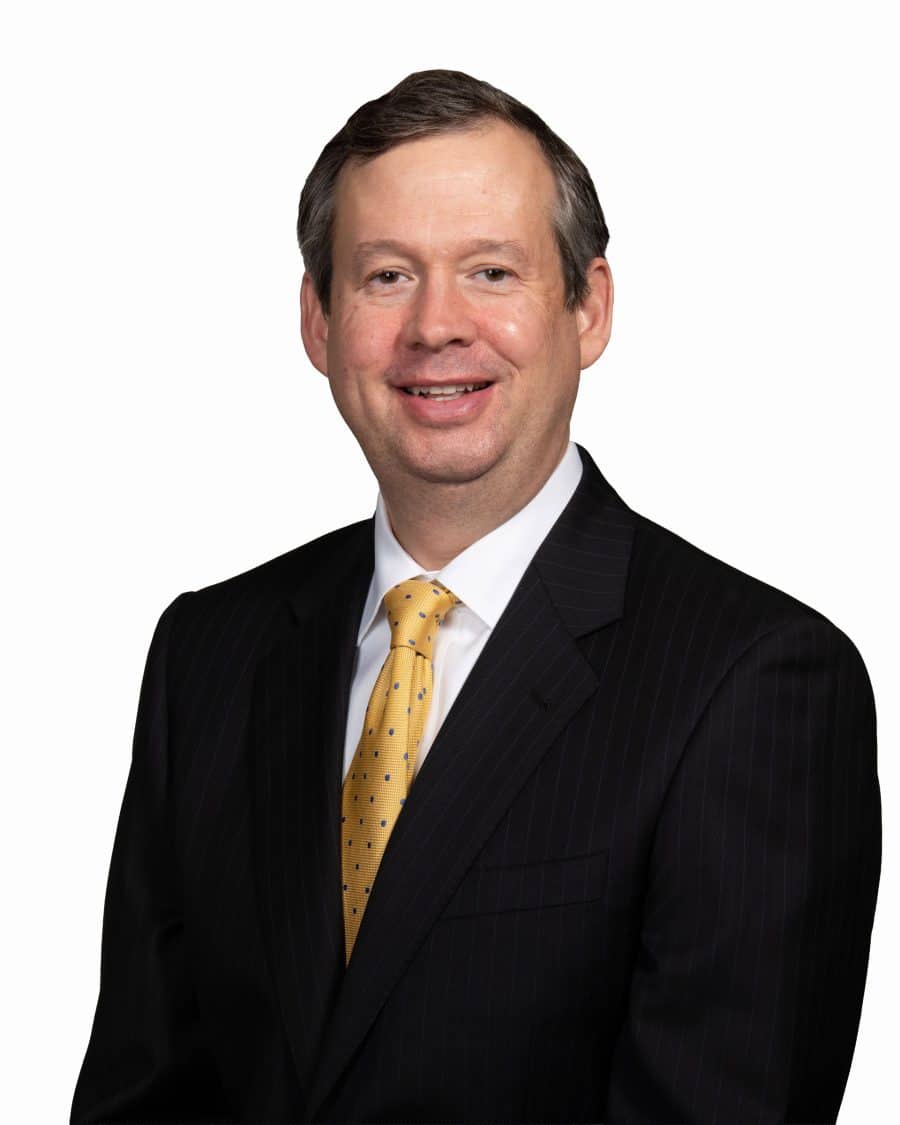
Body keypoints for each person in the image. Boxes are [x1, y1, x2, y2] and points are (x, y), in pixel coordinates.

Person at [70, 69, 881, 1124]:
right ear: (318, 321)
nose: (436, 326)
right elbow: (143, 1093)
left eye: (492, 271)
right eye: (387, 276)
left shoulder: (755, 680)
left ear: (589, 308)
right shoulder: (209, 654)